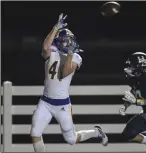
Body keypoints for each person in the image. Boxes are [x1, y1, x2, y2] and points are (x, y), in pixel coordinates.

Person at [30, 13, 108, 152]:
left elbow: (65, 72)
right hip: (46, 102)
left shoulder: (76, 57)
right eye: (65, 40)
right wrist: (56, 27)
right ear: (58, 40)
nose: (67, 43)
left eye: (69, 40)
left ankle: (96, 132)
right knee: (35, 133)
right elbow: (45, 48)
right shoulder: (52, 51)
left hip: (62, 105)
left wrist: (70, 54)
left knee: (71, 139)